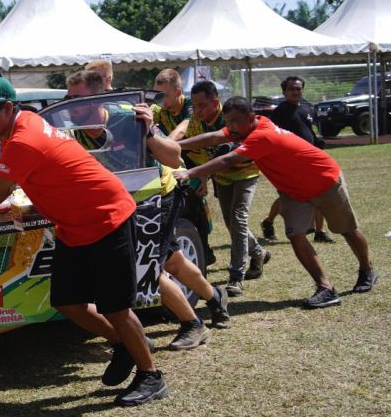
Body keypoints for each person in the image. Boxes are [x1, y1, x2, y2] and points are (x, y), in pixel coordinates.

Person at [0, 76, 168, 407]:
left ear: (7, 108)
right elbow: (0, 189)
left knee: (116, 308)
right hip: (73, 227)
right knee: (68, 302)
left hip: (106, 219)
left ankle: (151, 375)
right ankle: (127, 344)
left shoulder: (25, 139)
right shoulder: (18, 130)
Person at [175, 96, 377, 309]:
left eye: (234, 121)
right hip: (293, 190)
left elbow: (227, 160)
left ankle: (366, 270)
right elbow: (213, 137)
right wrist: (175, 145)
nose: (230, 127)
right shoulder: (246, 127)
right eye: (227, 121)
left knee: (347, 229)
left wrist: (190, 173)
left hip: (324, 180)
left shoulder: (263, 135)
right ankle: (325, 288)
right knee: (296, 236)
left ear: (250, 117)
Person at [71, 73, 230, 343]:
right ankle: (215, 298)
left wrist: (150, 130)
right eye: (68, 99)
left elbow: (173, 156)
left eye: (77, 99)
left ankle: (193, 323)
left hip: (160, 194)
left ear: (98, 99)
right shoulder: (78, 133)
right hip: (130, 200)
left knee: (147, 265)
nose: (71, 106)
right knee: (173, 260)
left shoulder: (129, 118)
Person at [171, 81, 268, 296]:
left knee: (238, 218)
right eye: (194, 106)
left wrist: (203, 174)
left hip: (245, 173)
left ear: (215, 102)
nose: (196, 111)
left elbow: (224, 154)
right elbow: (201, 145)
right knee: (231, 223)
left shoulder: (233, 116)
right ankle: (258, 253)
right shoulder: (197, 119)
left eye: (202, 106)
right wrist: (176, 146)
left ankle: (236, 276)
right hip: (221, 177)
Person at [152, 68, 216, 265]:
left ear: (178, 93)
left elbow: (183, 128)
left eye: (164, 95)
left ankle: (204, 251)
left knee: (198, 207)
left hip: (202, 165)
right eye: (156, 94)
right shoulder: (160, 110)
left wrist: (165, 147)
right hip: (178, 167)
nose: (159, 99)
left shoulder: (191, 107)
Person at [260, 76, 334, 244]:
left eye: (298, 88)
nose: (295, 92)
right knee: (291, 197)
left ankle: (319, 231)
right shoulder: (279, 112)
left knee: (318, 192)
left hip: (311, 159)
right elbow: (272, 137)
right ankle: (268, 222)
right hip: (290, 162)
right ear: (284, 92)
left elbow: (309, 130)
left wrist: (317, 142)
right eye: (291, 89)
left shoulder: (307, 108)